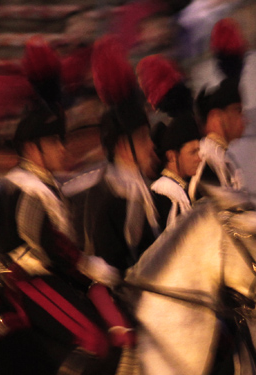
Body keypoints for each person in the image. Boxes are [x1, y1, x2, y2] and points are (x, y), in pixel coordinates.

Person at [0, 45, 132, 375]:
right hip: (29, 279)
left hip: (49, 276)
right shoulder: (27, 187)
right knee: (92, 339)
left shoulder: (44, 185)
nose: (64, 151)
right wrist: (87, 266)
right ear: (34, 148)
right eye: (56, 143)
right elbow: (44, 244)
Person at [66, 36, 159, 272]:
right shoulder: (107, 194)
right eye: (142, 139)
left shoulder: (143, 189)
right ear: (122, 147)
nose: (150, 146)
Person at [137, 53, 201, 230]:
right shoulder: (165, 194)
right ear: (172, 156)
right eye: (193, 152)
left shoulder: (182, 189)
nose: (200, 158)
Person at [188, 18, 247, 201]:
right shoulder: (205, 168)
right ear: (216, 117)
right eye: (237, 111)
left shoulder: (222, 162)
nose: (245, 120)